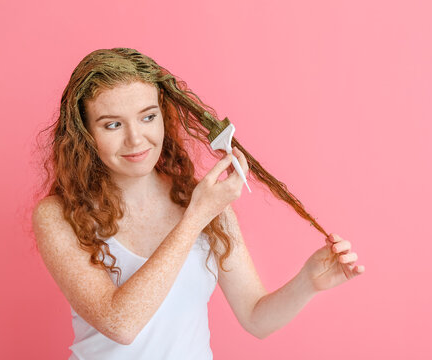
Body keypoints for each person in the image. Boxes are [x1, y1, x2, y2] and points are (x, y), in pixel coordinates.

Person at [31, 47, 365, 360]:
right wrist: (196, 217)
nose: (136, 139)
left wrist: (308, 282)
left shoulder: (205, 202)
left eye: (147, 117)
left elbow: (255, 318)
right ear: (84, 133)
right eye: (113, 124)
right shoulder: (58, 216)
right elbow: (120, 324)